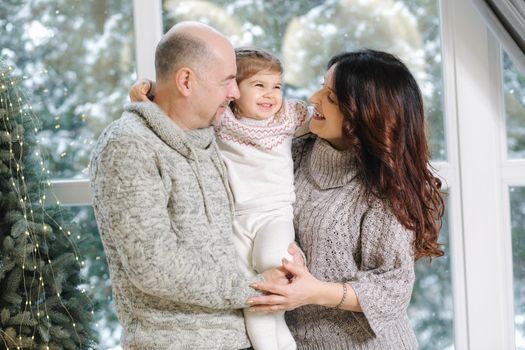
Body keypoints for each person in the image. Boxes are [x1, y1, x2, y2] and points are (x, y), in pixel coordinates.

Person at [89, 21, 287, 349]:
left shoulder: (207, 135)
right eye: (227, 81)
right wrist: (256, 288)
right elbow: (154, 266)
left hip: (240, 338)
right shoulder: (128, 146)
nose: (235, 92)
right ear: (185, 81)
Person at [246, 50, 445, 350]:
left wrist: (313, 292)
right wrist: (155, 97)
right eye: (320, 87)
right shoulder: (294, 150)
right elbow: (235, 115)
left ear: (364, 115)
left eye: (331, 97)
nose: (314, 98)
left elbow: (393, 288)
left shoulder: (384, 189)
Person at [130, 47, 310, 350]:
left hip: (274, 213)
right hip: (235, 219)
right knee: (253, 294)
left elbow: (324, 116)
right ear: (234, 90)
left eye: (276, 86)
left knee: (270, 267)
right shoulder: (222, 118)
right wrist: (145, 89)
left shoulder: (288, 116)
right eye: (259, 86)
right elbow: (173, 106)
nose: (270, 95)